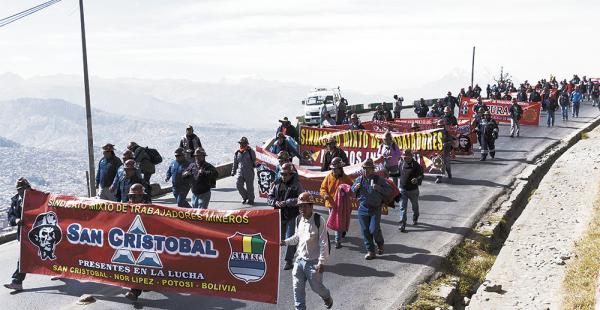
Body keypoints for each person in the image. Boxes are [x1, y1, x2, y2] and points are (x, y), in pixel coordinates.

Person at [282, 192, 333, 310]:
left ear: (311, 206)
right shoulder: (298, 219)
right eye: (300, 206)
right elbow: (296, 238)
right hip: (299, 260)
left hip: (313, 262)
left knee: (317, 287)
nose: (302, 209)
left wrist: (321, 262)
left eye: (305, 206)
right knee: (297, 288)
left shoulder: (318, 220)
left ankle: (326, 296)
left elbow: (323, 242)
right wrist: (285, 242)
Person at [351, 159, 391, 260]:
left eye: (368, 169)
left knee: (373, 229)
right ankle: (371, 251)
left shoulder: (379, 179)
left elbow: (389, 190)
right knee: (365, 231)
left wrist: (379, 188)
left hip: (375, 209)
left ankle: (380, 243)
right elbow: (351, 189)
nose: (366, 171)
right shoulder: (359, 179)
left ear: (373, 169)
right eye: (364, 169)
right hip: (363, 209)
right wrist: (355, 187)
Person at [268, 163, 303, 270]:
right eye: (282, 174)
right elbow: (269, 197)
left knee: (290, 238)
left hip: (292, 216)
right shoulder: (277, 185)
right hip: (279, 216)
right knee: (280, 239)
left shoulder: (297, 185)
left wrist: (287, 202)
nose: (283, 176)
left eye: (286, 174)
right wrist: (275, 202)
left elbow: (301, 199)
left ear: (291, 174)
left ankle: (288, 260)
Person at [4, 178, 32, 291]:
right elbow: (10, 215)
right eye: (20, 189)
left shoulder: (38, 198)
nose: (22, 191)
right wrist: (16, 220)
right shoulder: (16, 200)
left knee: (45, 254)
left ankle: (59, 271)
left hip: (38, 233)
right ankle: (17, 282)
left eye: (24, 188)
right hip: (24, 234)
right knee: (24, 257)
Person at [319, 157, 353, 248]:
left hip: (341, 204)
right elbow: (323, 188)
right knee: (334, 220)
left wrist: (345, 189)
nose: (334, 170)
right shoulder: (328, 177)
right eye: (333, 169)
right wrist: (325, 195)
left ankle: (338, 241)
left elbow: (351, 188)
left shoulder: (345, 178)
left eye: (336, 169)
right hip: (331, 203)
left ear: (340, 168)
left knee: (338, 221)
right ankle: (338, 235)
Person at [124, 183, 149, 301]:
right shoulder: (125, 208)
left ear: (142, 197)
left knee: (141, 266)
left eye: (134, 197)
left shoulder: (151, 210)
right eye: (130, 197)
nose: (131, 199)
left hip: (146, 243)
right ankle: (136, 289)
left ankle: (135, 290)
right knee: (134, 267)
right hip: (130, 242)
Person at [397, 150, 423, 232]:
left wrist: (417, 179)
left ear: (411, 156)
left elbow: (421, 175)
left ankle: (415, 218)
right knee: (402, 208)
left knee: (415, 207)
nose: (405, 158)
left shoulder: (416, 165)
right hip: (403, 190)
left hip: (413, 190)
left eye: (407, 156)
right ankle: (402, 224)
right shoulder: (400, 163)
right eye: (404, 156)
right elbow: (398, 174)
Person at [232, 137, 256, 205]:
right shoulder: (237, 152)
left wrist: (256, 164)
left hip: (249, 172)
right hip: (240, 172)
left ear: (246, 144)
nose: (241, 144)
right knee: (238, 185)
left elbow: (255, 161)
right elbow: (235, 163)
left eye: (243, 143)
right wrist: (233, 171)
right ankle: (245, 197)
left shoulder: (251, 151)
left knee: (250, 187)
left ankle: (251, 199)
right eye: (240, 143)